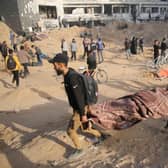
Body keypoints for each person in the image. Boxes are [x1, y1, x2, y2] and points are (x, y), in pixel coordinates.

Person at [48, 53, 103, 159]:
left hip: (80, 109)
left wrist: (82, 114)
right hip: (80, 108)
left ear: (61, 65)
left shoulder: (71, 78)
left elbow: (79, 97)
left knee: (70, 131)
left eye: (55, 65)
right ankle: (101, 136)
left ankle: (79, 149)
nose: (53, 67)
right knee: (85, 128)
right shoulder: (70, 73)